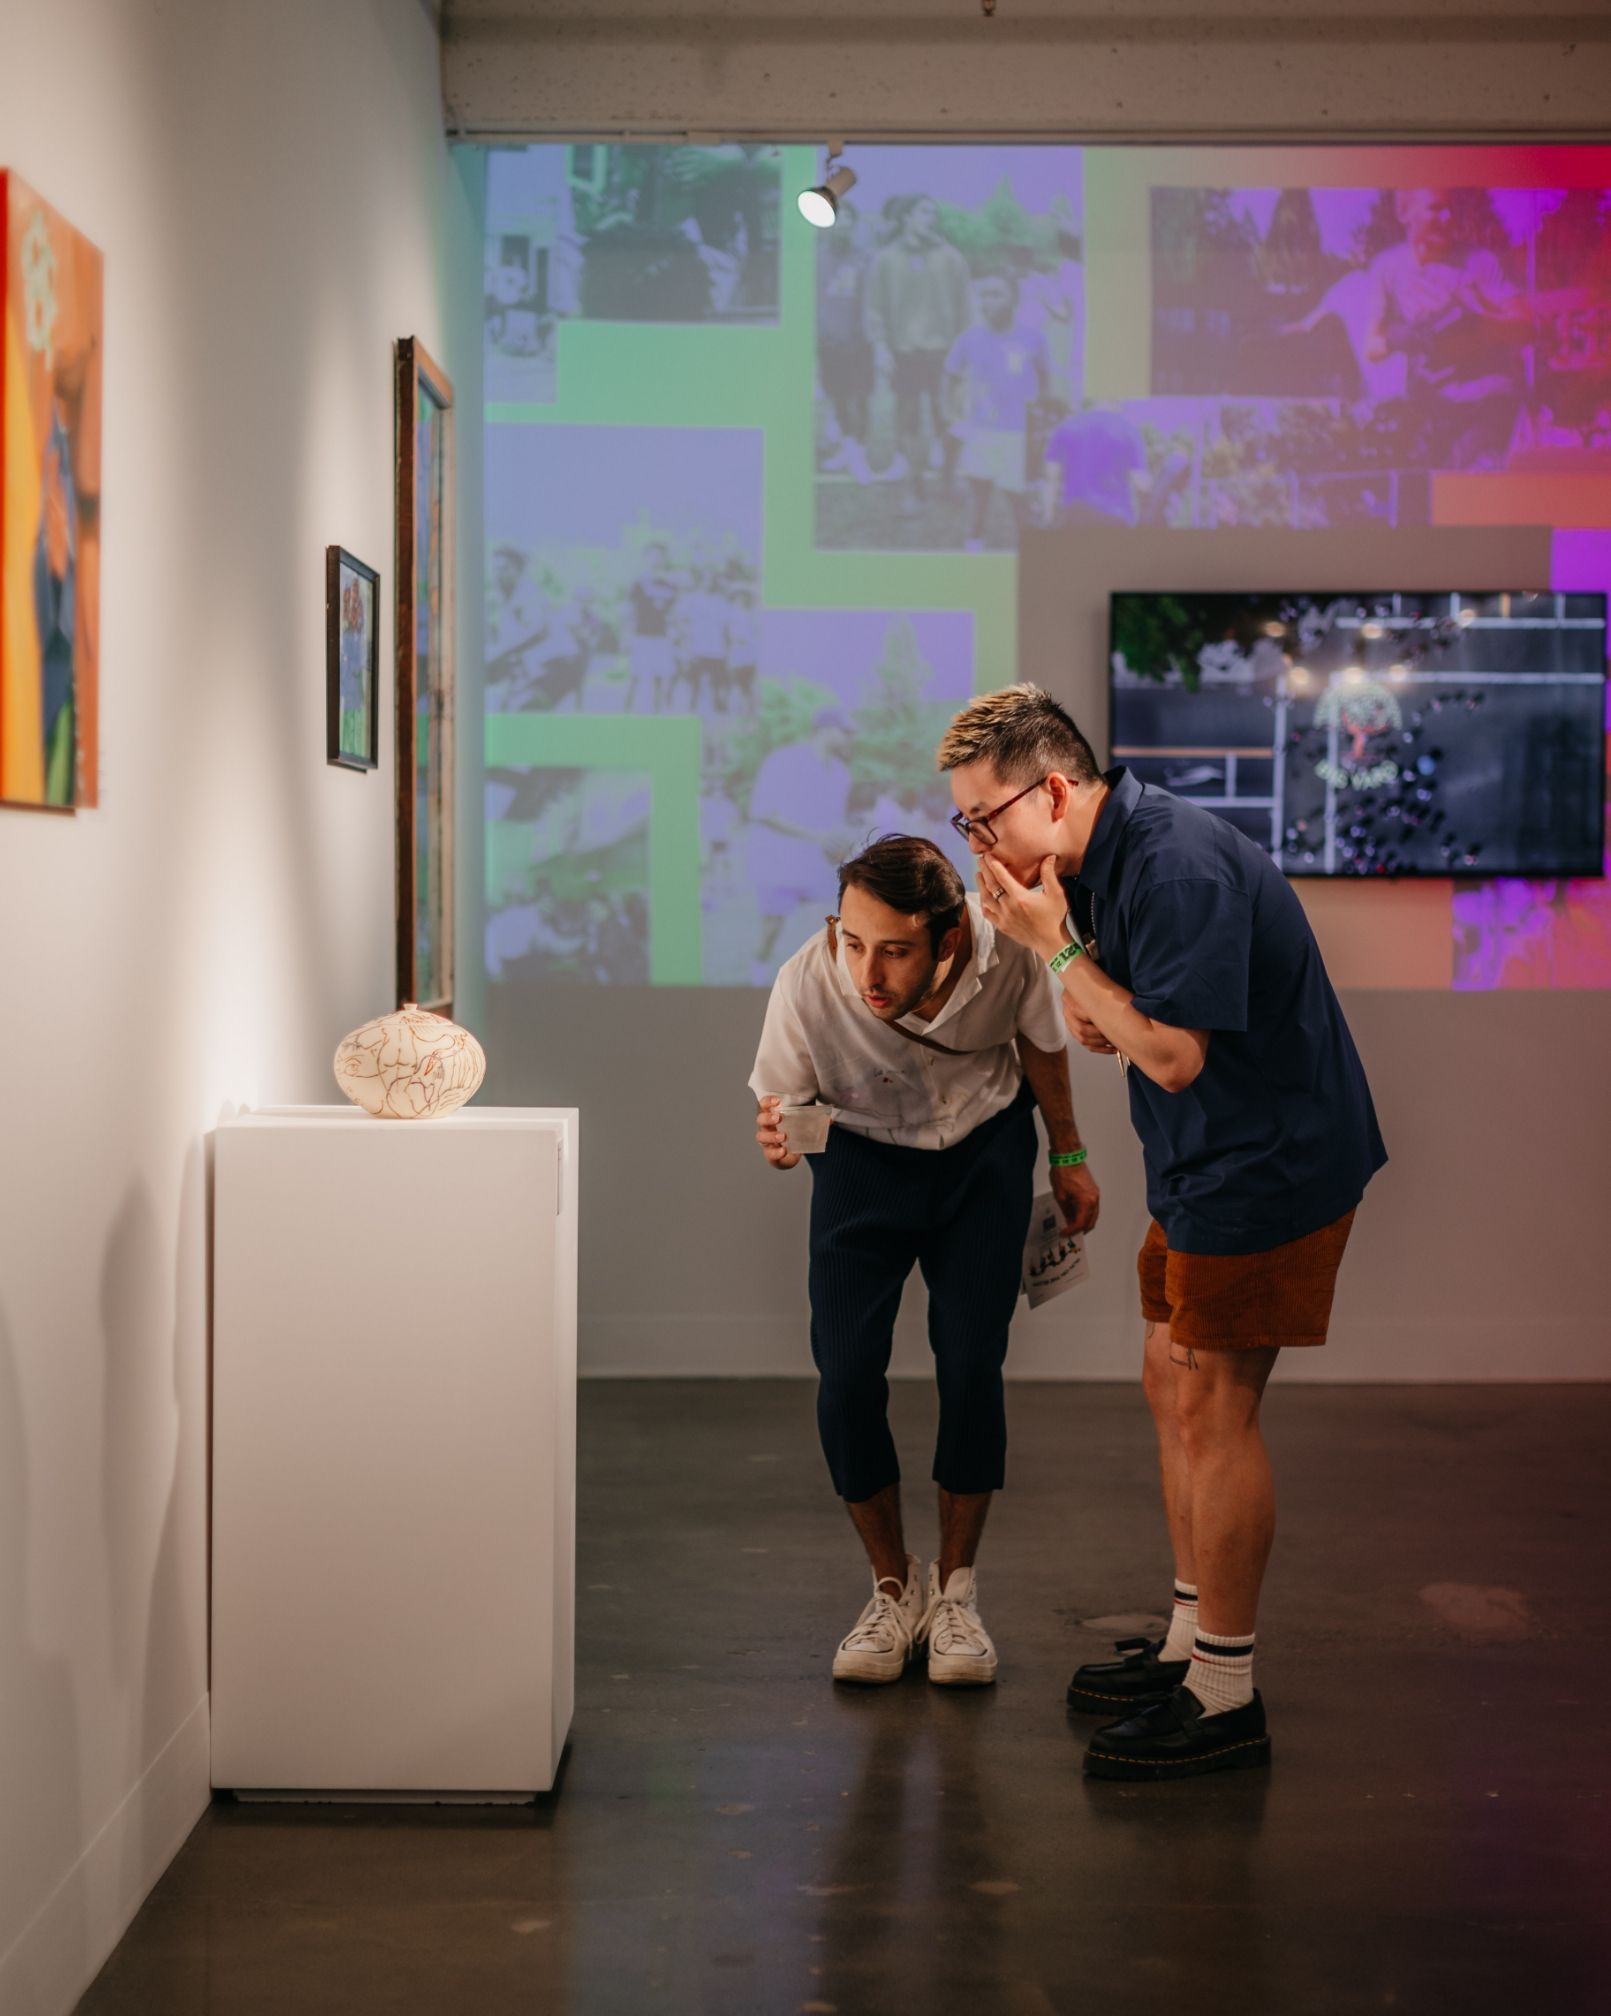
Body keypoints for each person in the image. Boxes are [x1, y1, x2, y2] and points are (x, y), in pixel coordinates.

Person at [939, 684, 1386, 1780]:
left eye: (982, 820)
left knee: (1214, 1402)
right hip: (1201, 1158)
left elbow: (1171, 1054)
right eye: (964, 827)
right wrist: (1068, 956)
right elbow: (1111, 1030)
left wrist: (1053, 954)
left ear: (1052, 789)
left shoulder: (1173, 864)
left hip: (1267, 1162)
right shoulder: (1088, 866)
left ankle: (1225, 1694)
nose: (977, 847)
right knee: (1167, 1378)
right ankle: (1193, 1641)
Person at [750, 835, 1100, 1688]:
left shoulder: (1004, 952)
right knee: (844, 1375)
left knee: (972, 1365)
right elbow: (779, 1097)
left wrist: (1066, 1155)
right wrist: (775, 1136)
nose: (867, 970)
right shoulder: (808, 977)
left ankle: (957, 1595)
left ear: (946, 941)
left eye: (894, 950)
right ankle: (891, 1587)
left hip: (980, 1157)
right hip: (861, 1163)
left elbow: (1043, 1044)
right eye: (853, 941)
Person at [864, 196, 972, 517]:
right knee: (908, 421)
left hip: (945, 353)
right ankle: (915, 488)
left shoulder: (951, 258)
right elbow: (874, 308)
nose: (931, 218)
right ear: (907, 217)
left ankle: (949, 480)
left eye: (934, 213)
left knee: (948, 420)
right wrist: (881, 347)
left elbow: (965, 308)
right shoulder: (884, 259)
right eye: (924, 211)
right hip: (904, 353)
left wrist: (965, 353)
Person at [746, 708, 856, 981]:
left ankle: (818, 985)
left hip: (819, 864)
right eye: (845, 732)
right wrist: (816, 837)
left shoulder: (841, 773)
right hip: (780, 860)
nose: (848, 738)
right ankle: (757, 977)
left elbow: (836, 821)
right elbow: (764, 813)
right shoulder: (783, 761)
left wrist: (841, 842)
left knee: (829, 923)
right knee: (772, 927)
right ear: (826, 729)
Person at [944, 273, 1051, 549]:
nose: (987, 301)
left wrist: (1042, 414)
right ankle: (976, 536)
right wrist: (949, 412)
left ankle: (1030, 545)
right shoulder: (969, 338)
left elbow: (1044, 375)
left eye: (996, 294)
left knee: (1018, 495)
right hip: (983, 428)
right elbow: (950, 375)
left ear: (1013, 299)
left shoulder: (1031, 338)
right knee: (980, 489)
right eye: (984, 295)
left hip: (1018, 431)